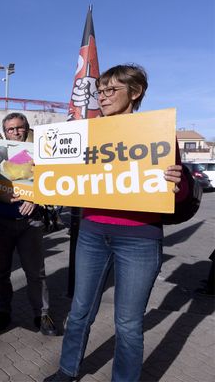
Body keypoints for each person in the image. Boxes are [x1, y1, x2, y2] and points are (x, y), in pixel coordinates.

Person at [45, 64, 186, 382]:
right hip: (92, 232)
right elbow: (63, 176)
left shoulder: (157, 133)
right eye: (100, 90)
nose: (103, 97)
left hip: (139, 238)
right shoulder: (87, 131)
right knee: (80, 310)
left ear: (134, 93)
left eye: (111, 90)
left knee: (128, 322)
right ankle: (68, 370)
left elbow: (178, 193)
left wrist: (179, 182)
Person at [0, 113, 58, 336]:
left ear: (27, 129)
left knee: (36, 272)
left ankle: (42, 314)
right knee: (0, 272)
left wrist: (36, 198)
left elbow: (54, 183)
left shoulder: (41, 154)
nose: (16, 132)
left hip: (30, 222)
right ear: (4, 132)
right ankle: (2, 311)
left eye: (19, 128)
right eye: (11, 129)